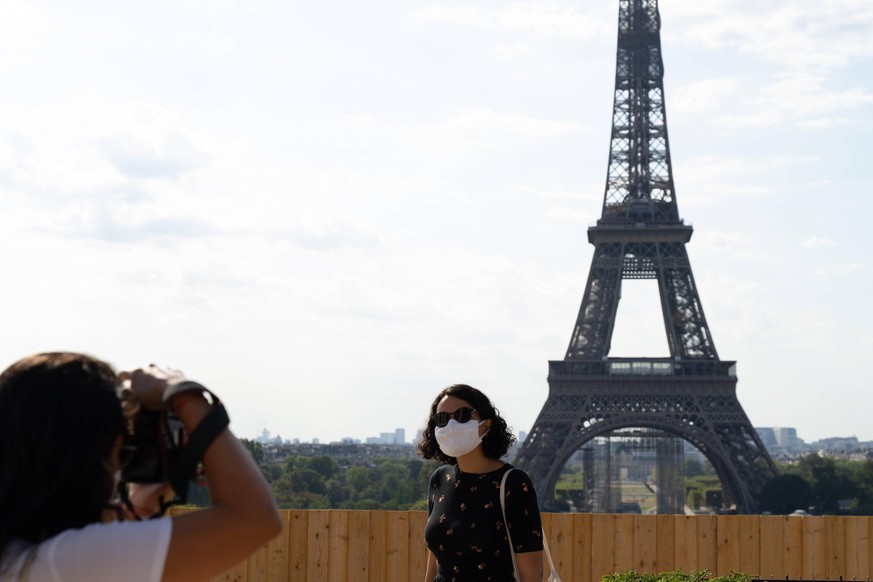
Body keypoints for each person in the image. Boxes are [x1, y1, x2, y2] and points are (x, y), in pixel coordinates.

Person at [0, 352, 282, 581]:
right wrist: (183, 394)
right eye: (117, 453)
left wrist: (141, 506)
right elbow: (254, 519)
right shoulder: (62, 561)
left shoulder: (20, 557)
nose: (119, 468)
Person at [418, 384, 543, 582]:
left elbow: (531, 575)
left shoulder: (512, 483)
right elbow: (436, 557)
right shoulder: (440, 480)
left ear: (486, 424)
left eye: (462, 415)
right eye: (441, 419)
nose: (451, 425)